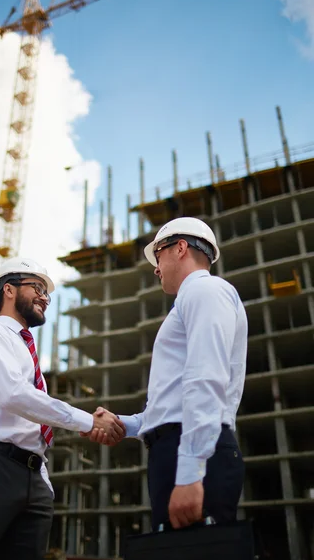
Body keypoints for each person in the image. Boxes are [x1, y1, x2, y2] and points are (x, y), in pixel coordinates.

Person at [0, 257, 125, 560]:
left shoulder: (29, 354)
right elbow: (14, 396)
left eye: (47, 293)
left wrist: (44, 479)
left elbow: (33, 413)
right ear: (8, 289)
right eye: (37, 288)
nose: (45, 298)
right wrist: (87, 421)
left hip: (34, 477)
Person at [88, 217, 247, 532]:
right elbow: (171, 403)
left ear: (181, 248)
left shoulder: (205, 289)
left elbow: (206, 378)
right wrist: (124, 425)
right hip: (178, 447)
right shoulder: (192, 300)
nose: (155, 268)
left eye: (158, 255)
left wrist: (189, 472)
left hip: (190, 451)